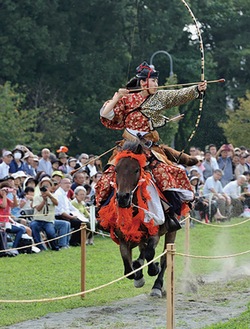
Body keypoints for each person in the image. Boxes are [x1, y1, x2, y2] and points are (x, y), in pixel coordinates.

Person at [95, 61, 207, 224]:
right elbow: (106, 114)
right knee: (108, 177)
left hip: (148, 148)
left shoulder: (159, 97)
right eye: (153, 81)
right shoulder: (126, 99)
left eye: (156, 80)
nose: (156, 84)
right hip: (126, 147)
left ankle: (170, 214)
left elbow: (178, 95)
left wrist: (197, 89)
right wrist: (117, 97)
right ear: (143, 82)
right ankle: (102, 214)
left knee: (165, 172)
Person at [30, 177, 59, 251]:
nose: (45, 187)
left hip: (48, 220)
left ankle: (55, 247)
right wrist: (44, 200)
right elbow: (38, 208)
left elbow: (56, 203)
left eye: (47, 185)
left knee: (50, 232)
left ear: (50, 187)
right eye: (44, 186)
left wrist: (49, 195)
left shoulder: (53, 196)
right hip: (38, 220)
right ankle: (40, 247)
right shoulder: (36, 197)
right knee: (33, 226)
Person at [54, 178, 84, 246]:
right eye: (65, 183)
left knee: (81, 220)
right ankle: (73, 242)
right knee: (78, 223)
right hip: (60, 216)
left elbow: (70, 206)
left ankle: (78, 241)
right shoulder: (58, 194)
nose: (68, 185)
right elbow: (60, 211)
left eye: (69, 183)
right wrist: (71, 217)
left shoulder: (65, 193)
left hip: (67, 214)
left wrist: (78, 212)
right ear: (60, 184)